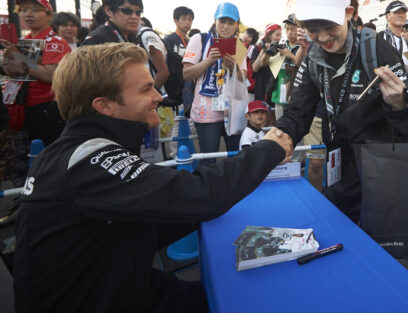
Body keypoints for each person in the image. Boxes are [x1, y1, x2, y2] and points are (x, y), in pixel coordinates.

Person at [13, 42, 292, 313]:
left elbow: (140, 226)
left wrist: (200, 208)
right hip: (105, 299)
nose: (159, 96)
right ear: (104, 106)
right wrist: (269, 149)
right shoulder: (86, 160)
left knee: (238, 292)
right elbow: (199, 193)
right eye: (147, 89)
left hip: (119, 287)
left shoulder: (75, 150)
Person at [276, 0, 408, 222]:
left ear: (349, 13)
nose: (322, 37)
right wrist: (280, 136)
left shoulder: (378, 50)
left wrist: (398, 104)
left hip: (380, 169)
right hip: (339, 164)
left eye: (329, 25)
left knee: (378, 246)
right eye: (311, 28)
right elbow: (298, 109)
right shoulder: (313, 58)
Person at [0, 0, 70, 146]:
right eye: (23, 10)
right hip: (22, 107)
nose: (28, 14)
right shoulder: (27, 40)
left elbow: (51, 75)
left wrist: (18, 56)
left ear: (49, 15)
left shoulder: (55, 41)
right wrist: (7, 62)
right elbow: (23, 72)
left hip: (45, 109)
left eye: (35, 10)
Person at [182, 2, 246, 165]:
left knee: (235, 156)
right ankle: (208, 190)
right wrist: (209, 60)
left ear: (236, 24)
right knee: (208, 158)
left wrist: (234, 67)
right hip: (206, 110)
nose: (225, 27)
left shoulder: (238, 46)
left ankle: (234, 189)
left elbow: (243, 80)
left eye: (230, 23)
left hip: (232, 109)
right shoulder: (200, 39)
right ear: (215, 20)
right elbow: (187, 74)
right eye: (222, 21)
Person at [163, 6, 194, 110]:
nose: (188, 22)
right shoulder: (169, 40)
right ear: (176, 20)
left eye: (190, 20)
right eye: (184, 19)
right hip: (173, 88)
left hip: (188, 88)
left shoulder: (191, 42)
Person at [138, 17, 169, 91]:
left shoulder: (147, 35)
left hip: (153, 92)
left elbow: (163, 72)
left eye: (141, 24)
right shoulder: (136, 38)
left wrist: (151, 92)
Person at [378, 0, 408, 67]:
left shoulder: (404, 41)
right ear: (387, 17)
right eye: (396, 12)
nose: (401, 15)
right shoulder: (382, 36)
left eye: (403, 12)